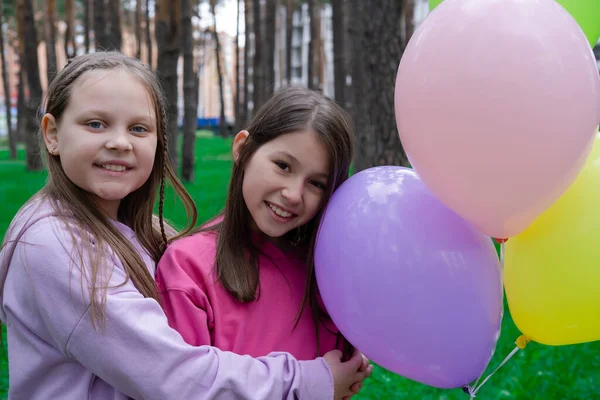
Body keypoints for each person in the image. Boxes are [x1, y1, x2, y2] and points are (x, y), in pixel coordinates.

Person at [0, 52, 369, 400]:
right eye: (95, 124)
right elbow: (172, 376)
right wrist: (308, 382)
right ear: (51, 133)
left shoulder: (141, 230)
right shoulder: (54, 246)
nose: (118, 142)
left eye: (139, 128)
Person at [156, 86, 371, 392]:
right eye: (283, 166)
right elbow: (186, 389)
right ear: (243, 148)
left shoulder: (330, 279)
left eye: (316, 183)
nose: (294, 195)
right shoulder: (187, 267)